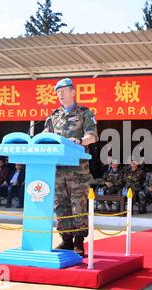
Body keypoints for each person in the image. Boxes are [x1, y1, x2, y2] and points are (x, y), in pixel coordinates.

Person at [43, 78, 98, 256]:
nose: (60, 94)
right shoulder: (53, 116)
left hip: (78, 171)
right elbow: (45, 137)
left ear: (73, 92)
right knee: (61, 206)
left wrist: (80, 141)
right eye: (58, 92)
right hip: (58, 170)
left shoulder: (84, 113)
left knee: (78, 206)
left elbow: (93, 136)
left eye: (63, 90)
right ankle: (66, 240)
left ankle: (79, 242)